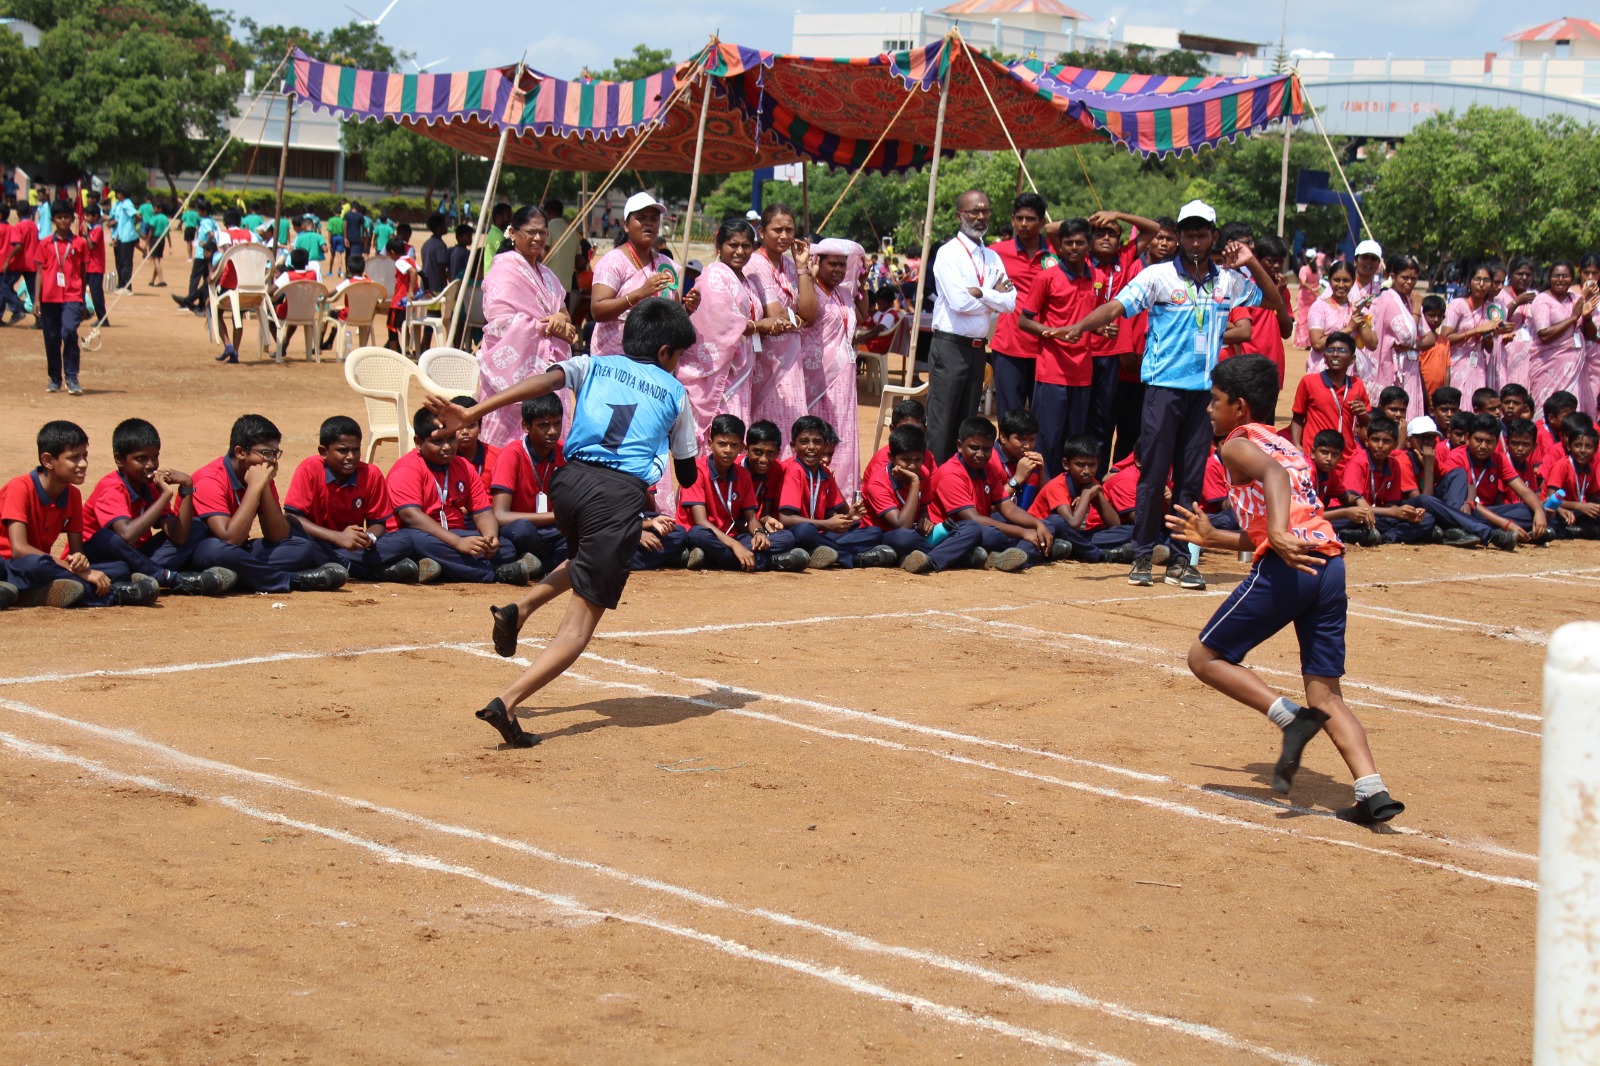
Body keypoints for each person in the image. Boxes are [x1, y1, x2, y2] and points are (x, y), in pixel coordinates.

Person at [423, 297, 706, 749]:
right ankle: (508, 702)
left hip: (568, 483)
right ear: (667, 351)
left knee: (582, 557)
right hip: (616, 495)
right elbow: (688, 473)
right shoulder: (674, 392)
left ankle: (521, 609)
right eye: (679, 357)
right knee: (578, 627)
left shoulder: (594, 364)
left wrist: (474, 412)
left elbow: (541, 382)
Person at [1164, 353, 1403, 825]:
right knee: (1327, 694)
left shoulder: (1236, 443)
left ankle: (1289, 718)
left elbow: (1274, 495)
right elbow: (1286, 517)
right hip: (1328, 566)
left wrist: (1273, 533)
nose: (1209, 410)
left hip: (1289, 566)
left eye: (1215, 401)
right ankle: (1373, 791)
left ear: (1239, 405)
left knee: (1204, 658)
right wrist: (1219, 538)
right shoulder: (1288, 445)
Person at [1060, 199, 1286, 592]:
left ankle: (1182, 559)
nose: (1195, 241)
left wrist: (1250, 261)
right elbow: (1117, 306)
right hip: (1163, 389)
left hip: (1205, 396)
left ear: (1214, 236)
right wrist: (1081, 326)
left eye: (1202, 234)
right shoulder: (1158, 276)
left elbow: (1273, 301)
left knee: (1190, 479)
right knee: (1152, 475)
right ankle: (1143, 553)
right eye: (1189, 234)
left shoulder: (1229, 281)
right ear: (1179, 236)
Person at [0, 420, 159, 608]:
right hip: (10, 565)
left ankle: (33, 595)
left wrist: (79, 562)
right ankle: (116, 594)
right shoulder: (20, 487)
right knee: (37, 564)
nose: (83, 464)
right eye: (74, 457)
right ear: (48, 461)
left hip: (41, 567)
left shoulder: (73, 495)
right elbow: (19, 550)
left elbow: (77, 550)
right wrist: (77, 571)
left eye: (85, 456)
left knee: (119, 568)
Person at [187, 414, 345, 593]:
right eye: (266, 453)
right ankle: (292, 580)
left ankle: (234, 577)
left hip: (238, 552)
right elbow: (229, 539)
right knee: (215, 549)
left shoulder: (260, 476)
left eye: (276, 453)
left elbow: (279, 535)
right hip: (205, 551)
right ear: (240, 452)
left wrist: (264, 488)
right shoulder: (210, 479)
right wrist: (255, 487)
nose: (273, 460)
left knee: (300, 547)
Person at [82, 417, 234, 594]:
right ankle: (167, 577)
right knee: (107, 540)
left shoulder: (150, 487)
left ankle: (143, 576)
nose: (151, 465)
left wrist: (186, 488)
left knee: (197, 526)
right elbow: (126, 536)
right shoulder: (112, 487)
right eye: (141, 459)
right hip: (96, 560)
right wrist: (165, 496)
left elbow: (179, 537)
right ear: (119, 459)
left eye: (155, 457)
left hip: (135, 557)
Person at [385, 407, 535, 585]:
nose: (447, 447)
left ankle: (441, 569)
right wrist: (457, 543)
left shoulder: (463, 465)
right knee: (416, 542)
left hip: (457, 534)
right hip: (424, 533)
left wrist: (490, 537)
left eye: (450, 438)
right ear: (418, 442)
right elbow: (411, 517)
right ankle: (494, 574)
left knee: (506, 547)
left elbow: (482, 511)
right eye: (437, 441)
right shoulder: (407, 468)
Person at [474, 206, 581, 448]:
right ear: (512, 232)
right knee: (506, 455)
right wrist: (548, 327)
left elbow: (565, 317)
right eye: (531, 232)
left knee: (548, 446)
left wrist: (559, 321)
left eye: (542, 233)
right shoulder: (504, 270)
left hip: (549, 370)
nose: (537, 238)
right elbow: (499, 323)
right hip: (514, 370)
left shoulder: (547, 275)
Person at [284, 416, 436, 583]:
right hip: (318, 540)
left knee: (405, 540)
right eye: (342, 450)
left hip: (353, 546)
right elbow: (292, 517)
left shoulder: (371, 474)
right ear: (323, 452)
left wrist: (369, 538)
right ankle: (368, 572)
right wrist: (337, 537)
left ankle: (338, 567)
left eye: (356, 450)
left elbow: (378, 522)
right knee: (300, 544)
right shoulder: (309, 469)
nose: (351, 457)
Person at [927, 189, 1016, 462]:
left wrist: (981, 293)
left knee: (967, 425)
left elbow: (1011, 302)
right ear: (959, 216)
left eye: (985, 211)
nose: (980, 217)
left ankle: (958, 487)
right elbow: (959, 302)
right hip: (950, 347)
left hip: (978, 350)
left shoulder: (992, 257)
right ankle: (933, 492)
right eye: (973, 211)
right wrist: (993, 295)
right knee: (942, 425)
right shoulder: (948, 253)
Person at [679, 219, 780, 447]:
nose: (740, 251)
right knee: (721, 434)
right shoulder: (715, 274)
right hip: (720, 372)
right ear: (719, 246)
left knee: (737, 431)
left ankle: (730, 483)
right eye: (733, 245)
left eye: (746, 246)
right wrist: (759, 326)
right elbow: (722, 320)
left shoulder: (747, 280)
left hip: (741, 369)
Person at [927, 414, 1064, 571]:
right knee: (987, 533)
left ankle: (1009, 557)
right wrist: (1024, 533)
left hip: (984, 525)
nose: (980, 454)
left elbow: (1008, 507)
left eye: (986, 449)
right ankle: (1033, 551)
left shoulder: (988, 468)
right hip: (958, 533)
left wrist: (1036, 524)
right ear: (959, 445)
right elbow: (974, 519)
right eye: (974, 447)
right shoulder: (950, 473)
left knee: (1046, 525)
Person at [679, 413, 808, 573]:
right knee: (698, 535)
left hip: (734, 535)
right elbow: (700, 521)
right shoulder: (697, 471)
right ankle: (769, 562)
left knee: (786, 538)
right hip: (709, 534)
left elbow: (752, 518)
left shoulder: (743, 474)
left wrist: (759, 532)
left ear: (741, 447)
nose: (727, 450)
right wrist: (735, 546)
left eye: (733, 445)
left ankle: (712, 559)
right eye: (722, 444)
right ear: (710, 444)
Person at [1019, 218, 1096, 481]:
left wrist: (1098, 329)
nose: (1074, 247)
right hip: (1052, 371)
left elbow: (1092, 319)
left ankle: (1068, 498)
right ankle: (1038, 498)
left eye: (1080, 242)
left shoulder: (1098, 278)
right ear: (1059, 247)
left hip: (1082, 372)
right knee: (1047, 441)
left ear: (1090, 244)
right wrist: (1052, 332)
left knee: (1074, 442)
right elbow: (1024, 319)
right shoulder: (1046, 277)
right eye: (1068, 243)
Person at [796, 236, 868, 498]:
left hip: (844, 375)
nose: (837, 270)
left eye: (842, 265)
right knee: (818, 431)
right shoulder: (811, 290)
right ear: (818, 262)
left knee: (843, 428)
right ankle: (812, 493)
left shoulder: (843, 293)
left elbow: (861, 316)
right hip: (817, 375)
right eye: (832, 264)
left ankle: (843, 493)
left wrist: (861, 283)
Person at [1085, 210, 1158, 467]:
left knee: (1103, 422)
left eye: (1112, 234)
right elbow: (1052, 231)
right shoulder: (1080, 257)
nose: (1106, 238)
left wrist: (1117, 214)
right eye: (1100, 233)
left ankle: (1099, 479)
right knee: (1078, 420)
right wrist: (1089, 222)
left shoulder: (1124, 259)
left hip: (1109, 355)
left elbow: (1153, 229)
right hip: (1079, 352)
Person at [588, 192, 699, 357]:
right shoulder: (613, 261)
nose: (648, 223)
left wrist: (688, 308)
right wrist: (639, 294)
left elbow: (671, 315)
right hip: (616, 358)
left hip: (653, 359)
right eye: (641, 218)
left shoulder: (668, 265)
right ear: (626, 225)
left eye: (654, 219)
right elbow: (597, 311)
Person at [777, 415, 893, 569]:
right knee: (806, 531)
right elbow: (785, 518)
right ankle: (852, 557)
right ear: (794, 446)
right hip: (800, 532)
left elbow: (837, 513)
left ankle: (821, 552)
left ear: (825, 446)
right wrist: (826, 524)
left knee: (874, 532)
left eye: (817, 442)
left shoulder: (824, 473)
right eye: (804, 442)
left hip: (821, 533)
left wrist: (849, 516)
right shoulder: (794, 470)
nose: (811, 447)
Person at [746, 203, 806, 455]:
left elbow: (810, 313)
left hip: (791, 357)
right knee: (767, 419)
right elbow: (774, 316)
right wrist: (797, 320)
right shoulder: (756, 264)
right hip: (766, 359)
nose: (784, 236)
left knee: (791, 417)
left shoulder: (790, 266)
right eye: (777, 229)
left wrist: (802, 267)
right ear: (761, 230)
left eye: (789, 230)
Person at [1026, 434, 1139, 563]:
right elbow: (1072, 524)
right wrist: (1086, 494)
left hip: (1071, 537)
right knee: (1056, 521)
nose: (1086, 471)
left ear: (1098, 464)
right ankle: (1098, 554)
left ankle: (1073, 549)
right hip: (1044, 533)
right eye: (1080, 464)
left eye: (1092, 465)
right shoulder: (1057, 485)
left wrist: (1098, 495)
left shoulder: (1091, 483)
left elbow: (1115, 525)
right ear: (1066, 464)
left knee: (1130, 531)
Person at [987, 192, 1050, 418]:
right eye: (1019, 218)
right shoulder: (996, 252)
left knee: (1043, 417)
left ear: (1042, 223)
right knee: (1009, 416)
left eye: (1031, 219)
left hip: (1047, 347)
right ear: (1013, 219)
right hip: (1008, 346)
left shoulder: (1056, 252)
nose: (1024, 224)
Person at [489, 394, 569, 573]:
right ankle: (545, 565)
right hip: (521, 530)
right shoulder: (512, 454)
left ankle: (534, 565)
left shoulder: (564, 452)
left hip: (552, 530)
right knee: (523, 530)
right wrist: (555, 516)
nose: (552, 431)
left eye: (557, 423)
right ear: (526, 426)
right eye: (544, 425)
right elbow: (500, 515)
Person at [1336, 416, 1435, 544]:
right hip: (1353, 514)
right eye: (1375, 440)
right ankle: (1374, 535)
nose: (1380, 446)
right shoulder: (1358, 463)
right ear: (1367, 442)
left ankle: (1383, 538)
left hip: (1378, 515)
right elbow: (1354, 504)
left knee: (1427, 519)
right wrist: (1393, 512)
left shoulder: (1394, 465)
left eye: (1386, 441)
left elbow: (1390, 504)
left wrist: (1408, 512)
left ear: (1395, 445)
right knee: (1356, 518)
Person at [1221, 233, 1292, 387]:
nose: (1277, 266)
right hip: (1248, 363)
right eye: (1271, 261)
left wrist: (1279, 295)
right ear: (1257, 259)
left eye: (1280, 262)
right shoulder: (1246, 288)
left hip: (1273, 362)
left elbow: (1286, 332)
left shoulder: (1282, 290)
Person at [1368, 255, 1434, 419]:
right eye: (1405, 277)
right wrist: (1418, 307)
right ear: (1392, 277)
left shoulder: (1408, 301)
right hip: (1391, 370)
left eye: (1413, 278)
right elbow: (1408, 335)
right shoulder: (1389, 300)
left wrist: (1411, 346)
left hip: (1409, 369)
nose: (1409, 282)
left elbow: (1430, 338)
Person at [1289, 331, 1370, 461]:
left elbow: (1368, 424)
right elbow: (1298, 418)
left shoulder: (1357, 384)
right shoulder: (1309, 382)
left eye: (1342, 350)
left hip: (1346, 456)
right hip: (1316, 455)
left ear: (1352, 359)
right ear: (1325, 357)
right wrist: (1297, 445)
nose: (1335, 354)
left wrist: (1363, 413)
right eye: (1331, 350)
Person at [1527, 261, 1593, 410]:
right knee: (1546, 406)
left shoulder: (1576, 299)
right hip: (1548, 364)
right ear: (1550, 278)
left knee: (1572, 408)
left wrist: (1587, 317)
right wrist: (1573, 318)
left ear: (1572, 279)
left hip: (1574, 366)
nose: (1561, 280)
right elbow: (1544, 334)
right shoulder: (1542, 300)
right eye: (1557, 276)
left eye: (1565, 276)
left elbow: (1591, 334)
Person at [1441, 263, 1512, 400]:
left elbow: (1488, 348)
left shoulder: (1491, 309)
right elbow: (1444, 338)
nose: (1481, 284)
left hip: (1478, 366)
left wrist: (1488, 336)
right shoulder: (1458, 304)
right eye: (1477, 279)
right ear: (1469, 282)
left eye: (1486, 280)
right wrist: (1477, 330)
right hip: (1457, 364)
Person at [37, 208, 87, 395]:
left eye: (67, 217)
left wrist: (83, 298)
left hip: (72, 295)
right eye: (59, 217)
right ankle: (55, 378)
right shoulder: (44, 244)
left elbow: (83, 273)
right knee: (51, 338)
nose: (63, 221)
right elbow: (40, 272)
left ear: (72, 219)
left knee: (68, 332)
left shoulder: (79, 243)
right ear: (53, 220)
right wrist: (36, 299)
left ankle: (72, 376)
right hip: (49, 295)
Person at [1305, 260, 1374, 377]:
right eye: (1337, 280)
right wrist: (1350, 328)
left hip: (1352, 372)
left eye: (1346, 280)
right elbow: (1317, 344)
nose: (1341, 285)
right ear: (1329, 281)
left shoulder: (1357, 308)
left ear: (1353, 282)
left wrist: (1360, 319)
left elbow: (1372, 344)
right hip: (1324, 370)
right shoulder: (1319, 307)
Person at [1543, 422, 1600, 538]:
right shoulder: (1562, 465)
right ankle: (1569, 532)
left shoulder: (1591, 469)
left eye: (1588, 446)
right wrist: (1579, 506)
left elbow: (1592, 499)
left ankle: (1574, 531)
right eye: (1578, 445)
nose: (1583, 450)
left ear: (1595, 450)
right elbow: (1550, 499)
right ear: (1569, 447)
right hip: (1555, 511)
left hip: (1575, 512)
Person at [1493, 257, 1538, 392]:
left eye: (1528, 275)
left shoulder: (1535, 295)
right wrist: (1516, 302)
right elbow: (1496, 320)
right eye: (1520, 274)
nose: (1524, 278)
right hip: (1506, 351)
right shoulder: (1500, 294)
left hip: (1530, 353)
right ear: (1511, 275)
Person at [80, 202, 109, 328]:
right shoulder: (92, 229)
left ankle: (102, 318)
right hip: (89, 265)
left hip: (95, 266)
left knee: (96, 294)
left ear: (95, 216)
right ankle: (84, 312)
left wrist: (86, 235)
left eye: (88, 215)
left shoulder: (97, 230)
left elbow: (92, 245)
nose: (86, 218)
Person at [110, 190, 138, 293]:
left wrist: (132, 227)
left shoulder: (127, 204)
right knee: (119, 262)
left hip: (127, 237)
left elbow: (137, 216)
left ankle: (127, 285)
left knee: (126, 262)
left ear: (121, 194)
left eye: (118, 193)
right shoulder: (118, 204)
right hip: (119, 236)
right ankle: (121, 283)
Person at [1292, 252, 1320, 349]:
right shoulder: (1317, 270)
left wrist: (1310, 289)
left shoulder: (1304, 269)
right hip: (1313, 296)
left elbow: (1303, 282)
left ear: (1306, 259)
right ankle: (1308, 341)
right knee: (1310, 318)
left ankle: (1303, 342)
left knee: (1302, 319)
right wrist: (1314, 290)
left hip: (1304, 297)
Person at [420, 213, 450, 294]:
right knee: (434, 306)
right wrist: (445, 286)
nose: (447, 227)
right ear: (439, 227)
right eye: (445, 225)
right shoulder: (440, 245)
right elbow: (441, 268)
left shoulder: (426, 243)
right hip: (435, 286)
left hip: (425, 285)